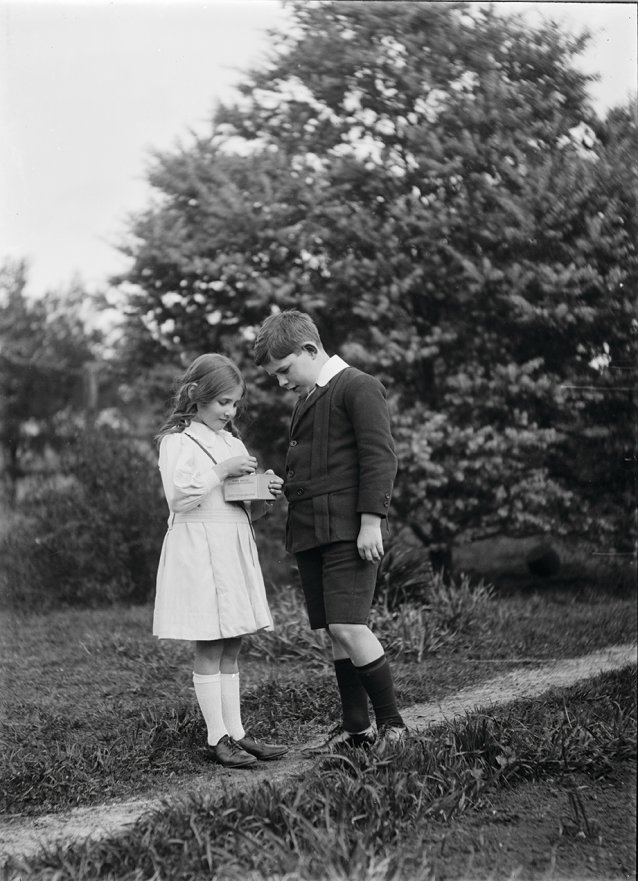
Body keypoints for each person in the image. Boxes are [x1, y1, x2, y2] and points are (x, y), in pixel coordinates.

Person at [253, 310, 407, 753]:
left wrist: (371, 522)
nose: (282, 383)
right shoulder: (307, 398)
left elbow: (379, 458)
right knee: (336, 630)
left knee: (348, 625)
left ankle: (394, 727)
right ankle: (357, 728)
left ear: (309, 349)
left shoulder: (358, 386)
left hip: (347, 530)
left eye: (284, 371)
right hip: (312, 532)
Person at [153, 353, 289, 768]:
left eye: (235, 404)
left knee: (232, 640)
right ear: (196, 396)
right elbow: (181, 497)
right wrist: (223, 470)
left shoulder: (232, 442)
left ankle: (239, 733)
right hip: (199, 545)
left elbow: (241, 505)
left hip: (231, 541)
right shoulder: (178, 442)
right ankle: (217, 737)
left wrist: (263, 491)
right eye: (223, 403)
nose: (230, 412)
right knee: (210, 640)